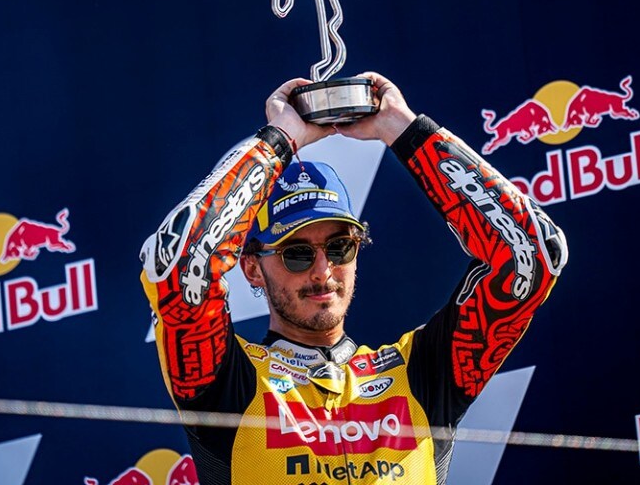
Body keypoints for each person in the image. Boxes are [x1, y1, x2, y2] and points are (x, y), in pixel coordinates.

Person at [140, 72, 568, 485]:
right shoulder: (227, 381)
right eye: (296, 253)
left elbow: (532, 255)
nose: (322, 270)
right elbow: (175, 265)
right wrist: (279, 141)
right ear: (252, 267)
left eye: (340, 247)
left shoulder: (422, 372)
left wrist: (403, 130)